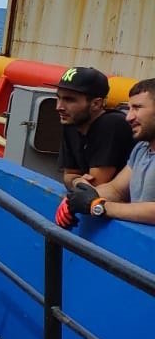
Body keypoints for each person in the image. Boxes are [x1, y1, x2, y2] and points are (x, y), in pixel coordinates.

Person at [57, 77, 155, 227]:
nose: (129, 117)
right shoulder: (142, 149)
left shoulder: (112, 124)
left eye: (137, 108)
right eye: (129, 109)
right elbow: (116, 190)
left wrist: (99, 206)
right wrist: (78, 197)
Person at [55, 65, 133, 187]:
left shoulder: (112, 124)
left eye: (69, 100)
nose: (59, 107)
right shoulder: (71, 122)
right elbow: (69, 175)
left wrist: (77, 181)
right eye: (58, 98)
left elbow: (94, 185)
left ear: (96, 104)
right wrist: (77, 181)